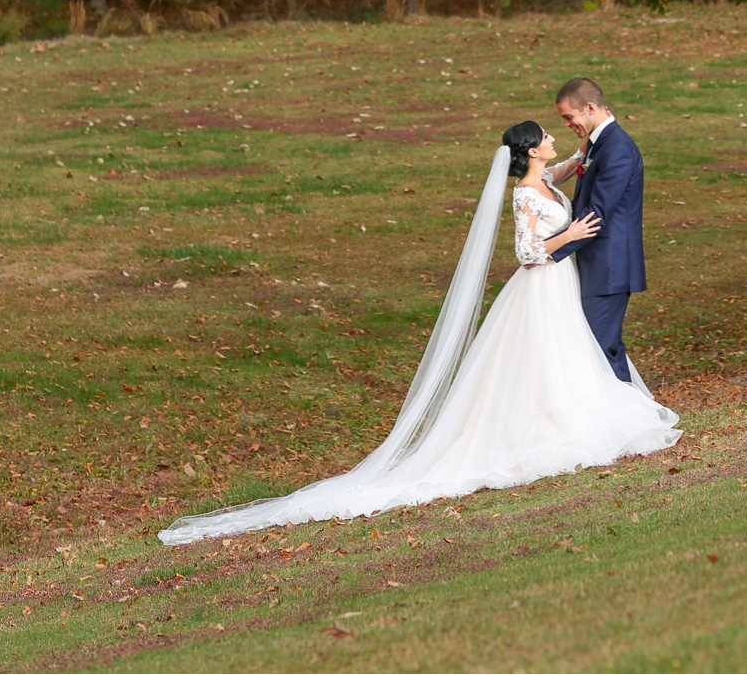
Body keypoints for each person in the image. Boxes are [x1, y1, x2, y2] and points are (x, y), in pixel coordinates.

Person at [158, 120, 678, 546]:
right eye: (546, 135)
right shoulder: (524, 194)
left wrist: (585, 152)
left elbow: (564, 170)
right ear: (529, 151)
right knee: (539, 362)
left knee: (562, 359)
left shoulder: (545, 180)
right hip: (539, 289)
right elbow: (525, 253)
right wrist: (568, 233)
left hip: (561, 288)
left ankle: (576, 421)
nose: (553, 138)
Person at [551, 77, 645, 383]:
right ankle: (628, 423)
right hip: (599, 264)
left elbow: (597, 214)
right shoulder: (599, 143)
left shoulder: (617, 148)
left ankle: (628, 424)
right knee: (604, 348)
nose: (566, 124)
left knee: (601, 350)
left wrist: (547, 251)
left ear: (590, 107)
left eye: (569, 117)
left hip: (610, 267)